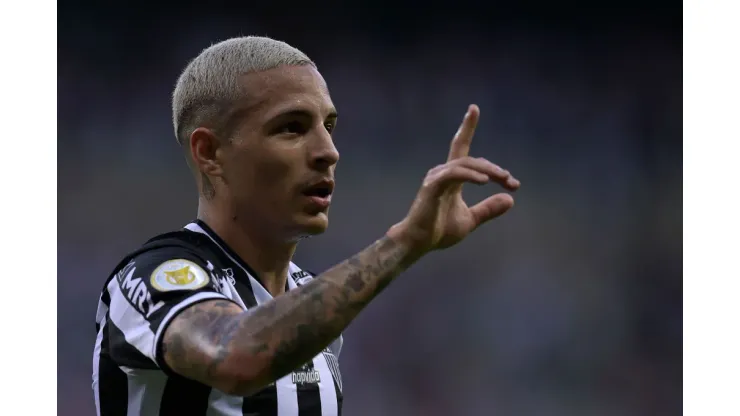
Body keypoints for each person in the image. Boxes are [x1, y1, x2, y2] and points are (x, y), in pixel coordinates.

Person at [91, 36, 520, 416]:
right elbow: (236, 357)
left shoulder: (309, 302)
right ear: (210, 152)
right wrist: (404, 242)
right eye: (292, 128)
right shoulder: (149, 277)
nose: (328, 151)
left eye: (329, 127)